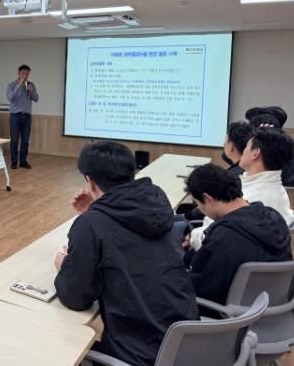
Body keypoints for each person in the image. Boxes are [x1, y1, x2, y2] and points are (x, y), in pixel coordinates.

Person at [54, 141, 198, 366]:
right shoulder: (156, 201)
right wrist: (96, 209)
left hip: (139, 353)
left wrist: (65, 266)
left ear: (89, 181)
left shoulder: (92, 224)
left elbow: (76, 298)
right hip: (189, 341)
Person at [186, 164, 291, 306]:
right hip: (275, 305)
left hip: (231, 312)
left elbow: (201, 289)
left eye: (197, 203)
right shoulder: (275, 217)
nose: (199, 208)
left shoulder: (224, 236)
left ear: (208, 198)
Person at [190, 127, 294, 251]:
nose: (243, 151)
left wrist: (193, 236)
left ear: (255, 153)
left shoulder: (253, 199)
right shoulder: (275, 191)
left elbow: (216, 239)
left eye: (246, 147)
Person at [6, 64, 38, 169]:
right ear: (18, 73)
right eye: (23, 73)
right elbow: (10, 97)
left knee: (25, 140)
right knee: (14, 140)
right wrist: (18, 86)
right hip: (15, 116)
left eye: (27, 74)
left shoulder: (31, 85)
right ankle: (14, 161)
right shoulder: (11, 85)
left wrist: (31, 91)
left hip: (27, 117)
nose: (25, 76)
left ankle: (23, 161)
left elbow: (36, 98)